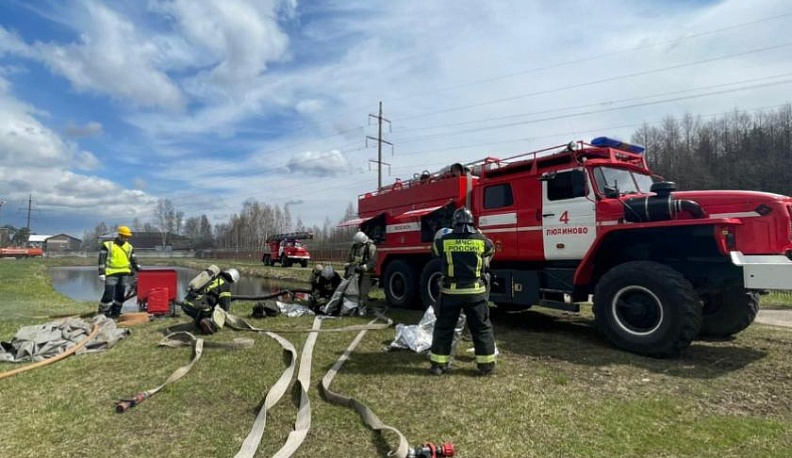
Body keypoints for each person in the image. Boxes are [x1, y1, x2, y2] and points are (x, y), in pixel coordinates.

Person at [429, 207, 496, 376]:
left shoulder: (445, 241)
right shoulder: (481, 240)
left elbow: (435, 251)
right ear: (472, 222)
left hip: (451, 293)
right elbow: (491, 250)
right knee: (481, 328)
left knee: (444, 328)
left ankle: (439, 365)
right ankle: (486, 365)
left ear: (455, 222)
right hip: (475, 293)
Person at [97, 225, 140, 318]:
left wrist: (140, 270)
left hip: (124, 273)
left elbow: (134, 260)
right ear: (119, 235)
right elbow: (101, 260)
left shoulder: (129, 247)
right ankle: (103, 312)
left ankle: (116, 312)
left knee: (120, 294)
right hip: (111, 273)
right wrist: (101, 273)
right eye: (125, 236)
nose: (126, 238)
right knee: (109, 293)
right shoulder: (108, 245)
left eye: (128, 236)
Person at [181, 268, 240, 334]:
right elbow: (225, 305)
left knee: (205, 307)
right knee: (218, 312)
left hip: (186, 304)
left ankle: (199, 324)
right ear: (232, 279)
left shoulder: (213, 277)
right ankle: (208, 323)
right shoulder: (225, 284)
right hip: (200, 308)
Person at [345, 230, 378, 313]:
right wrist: (348, 265)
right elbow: (350, 257)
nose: (357, 244)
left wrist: (364, 267)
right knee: (351, 290)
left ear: (363, 241)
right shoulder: (354, 247)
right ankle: (352, 307)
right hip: (354, 271)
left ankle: (362, 309)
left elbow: (373, 261)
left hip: (366, 273)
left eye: (358, 243)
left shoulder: (371, 247)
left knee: (363, 292)